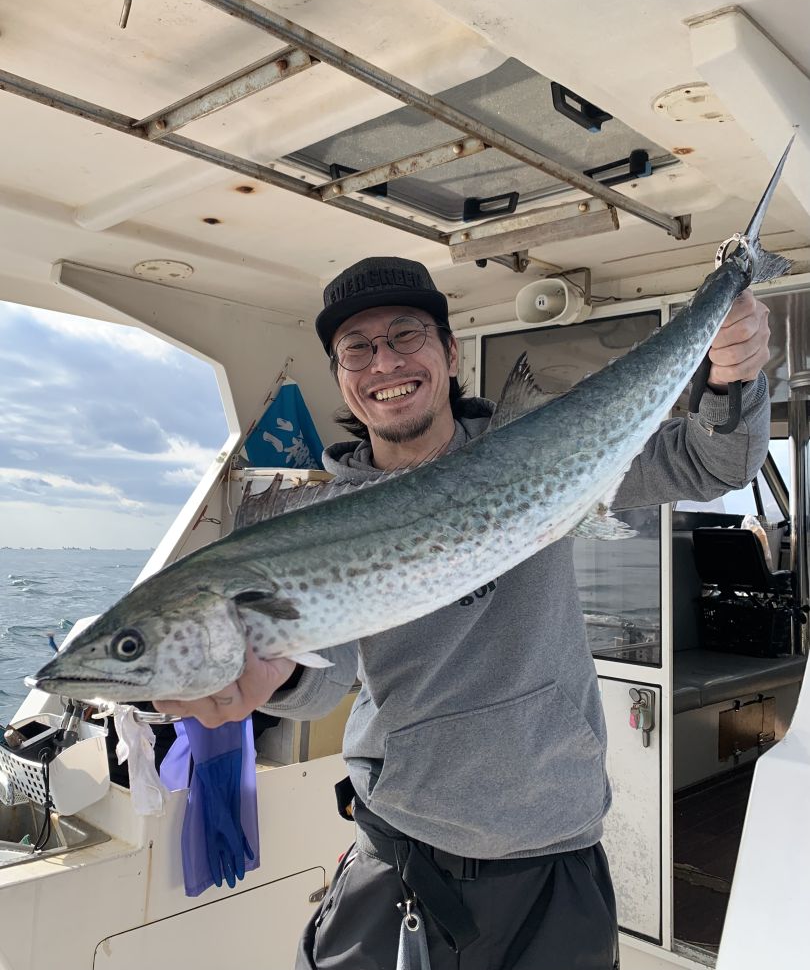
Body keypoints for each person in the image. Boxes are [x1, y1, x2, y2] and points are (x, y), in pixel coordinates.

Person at [155, 256, 773, 969]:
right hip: (400, 855)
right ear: (342, 378)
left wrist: (733, 380)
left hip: (554, 856)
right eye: (357, 348)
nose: (384, 361)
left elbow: (713, 463)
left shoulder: (543, 452)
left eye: (405, 335)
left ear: (450, 354)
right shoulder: (322, 522)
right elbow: (326, 680)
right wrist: (279, 675)